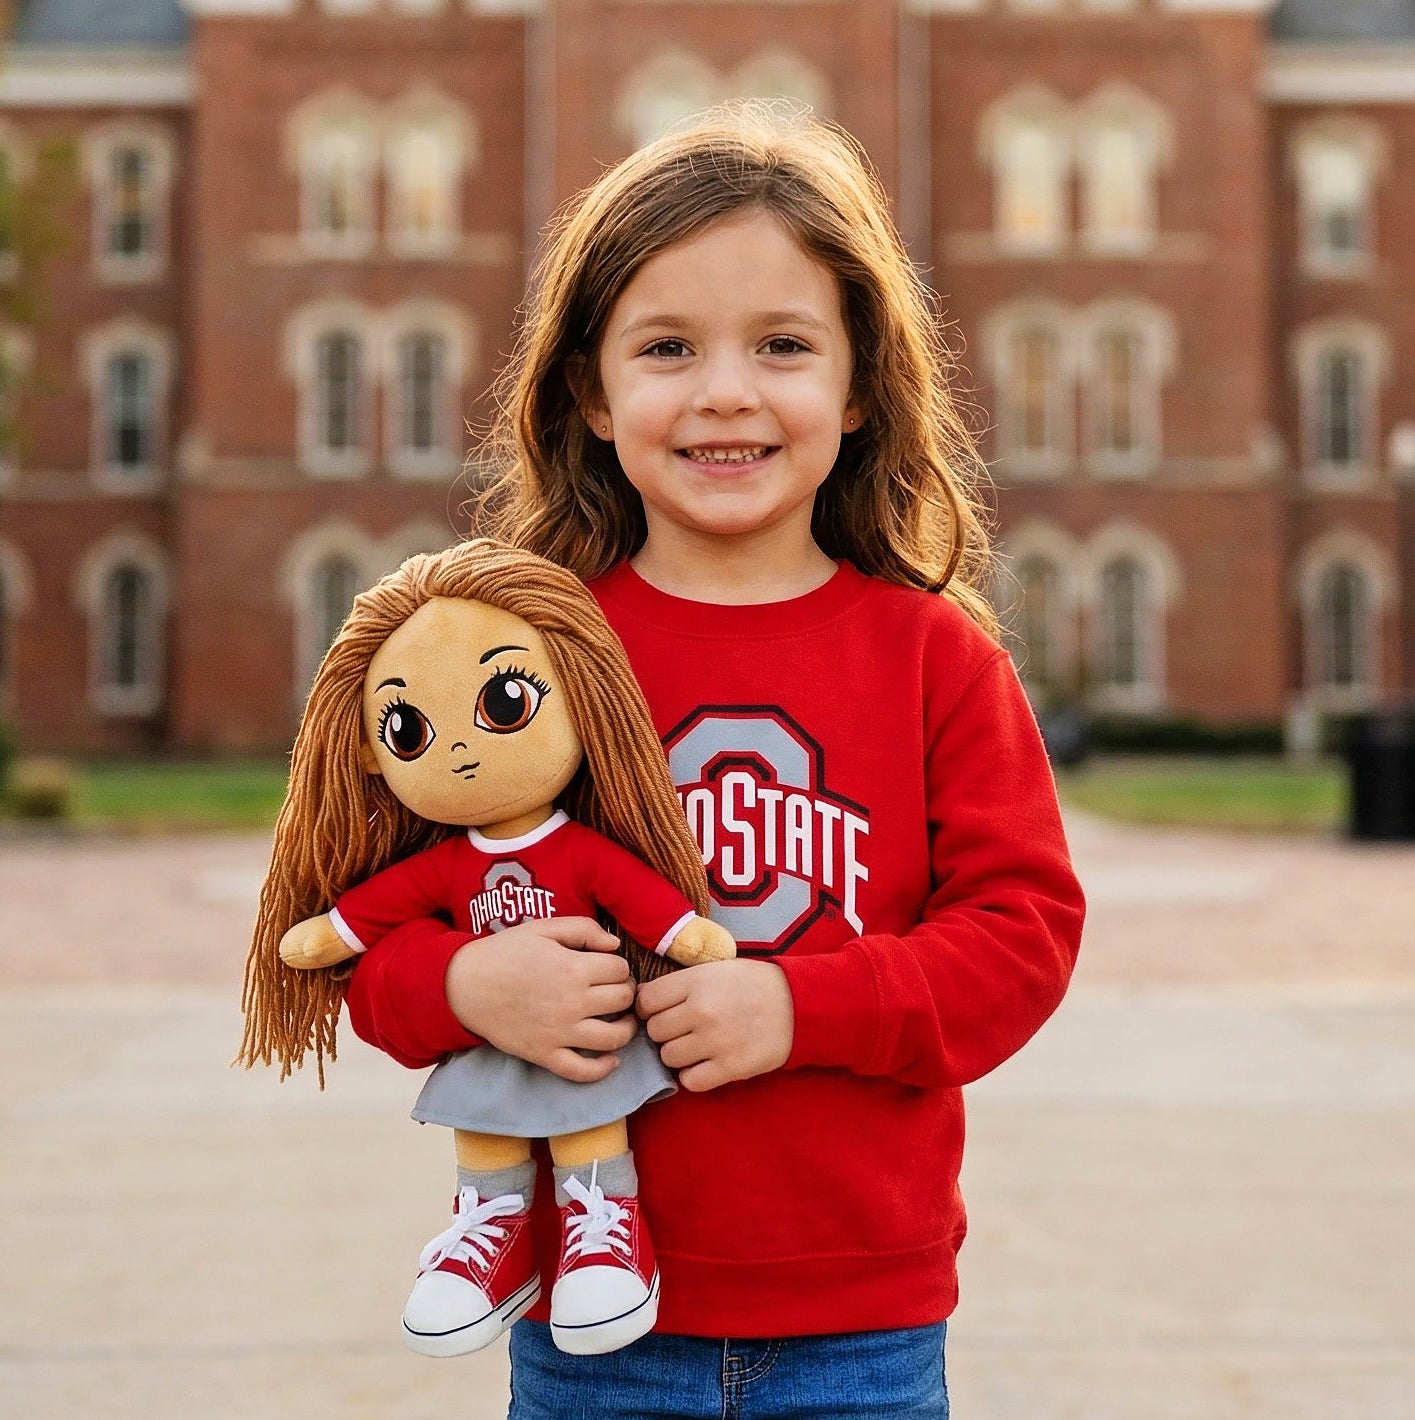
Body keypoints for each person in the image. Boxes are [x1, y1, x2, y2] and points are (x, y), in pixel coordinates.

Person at [345, 101, 1085, 1420]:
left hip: (862, 1328)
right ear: (591, 388)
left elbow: (1022, 939)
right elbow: (372, 951)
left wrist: (803, 1009)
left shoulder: (934, 658)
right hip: (590, 1327)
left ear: (861, 388)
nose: (728, 390)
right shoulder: (521, 656)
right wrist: (469, 984)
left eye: (784, 345)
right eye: (669, 346)